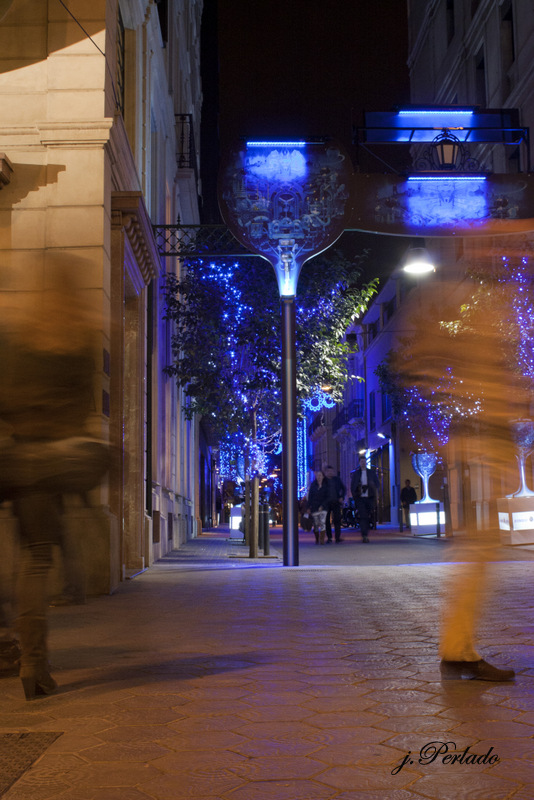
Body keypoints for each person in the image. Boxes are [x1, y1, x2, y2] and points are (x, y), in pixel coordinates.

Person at [0, 264, 108, 700]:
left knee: (30, 559)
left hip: (22, 461)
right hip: (55, 463)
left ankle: (30, 658)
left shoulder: (18, 342)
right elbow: (86, 406)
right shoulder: (79, 342)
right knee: (43, 555)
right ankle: (35, 661)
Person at [351, 456, 380, 542]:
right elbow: (353, 486)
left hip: (369, 497)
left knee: (367, 516)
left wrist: (372, 487)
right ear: (359, 463)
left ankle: (365, 532)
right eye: (361, 462)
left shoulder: (371, 473)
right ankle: (364, 535)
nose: (363, 463)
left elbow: (377, 484)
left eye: (364, 461)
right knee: (363, 516)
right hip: (360, 498)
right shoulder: (356, 474)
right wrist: (355, 496)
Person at [324, 465, 346, 543]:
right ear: (325, 472)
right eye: (328, 471)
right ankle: (329, 537)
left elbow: (344, 488)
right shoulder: (323, 481)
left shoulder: (337, 480)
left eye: (331, 471)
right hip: (326, 503)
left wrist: (342, 497)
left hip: (336, 502)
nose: (330, 473)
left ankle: (337, 537)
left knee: (337, 520)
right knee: (327, 521)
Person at [307, 470, 329, 545]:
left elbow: (328, 497)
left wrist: (323, 505)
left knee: (323, 522)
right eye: (317, 476)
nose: (319, 477)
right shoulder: (313, 486)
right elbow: (310, 497)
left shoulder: (326, 486)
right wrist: (308, 507)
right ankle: (317, 538)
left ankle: (322, 539)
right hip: (315, 507)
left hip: (323, 507)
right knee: (316, 524)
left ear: (323, 476)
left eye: (320, 475)